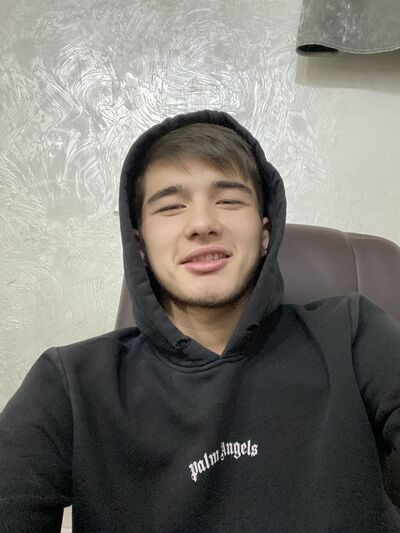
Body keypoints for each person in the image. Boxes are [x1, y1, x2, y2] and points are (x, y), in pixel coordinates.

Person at [0, 109, 399, 532]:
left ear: (265, 233)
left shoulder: (353, 333)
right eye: (171, 206)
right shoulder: (71, 384)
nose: (203, 224)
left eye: (229, 200)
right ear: (139, 246)